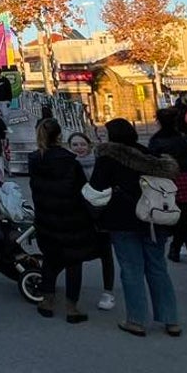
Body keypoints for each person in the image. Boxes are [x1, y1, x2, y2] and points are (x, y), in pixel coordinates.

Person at [89, 118, 182, 337]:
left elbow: (97, 186)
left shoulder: (108, 157)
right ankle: (171, 319)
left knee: (132, 270)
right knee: (158, 268)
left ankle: (137, 320)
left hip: (122, 220)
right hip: (155, 219)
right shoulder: (150, 156)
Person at [30, 119, 100, 323]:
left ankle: (47, 301)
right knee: (73, 262)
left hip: (45, 215)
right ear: (60, 136)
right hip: (71, 217)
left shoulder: (35, 159)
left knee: (50, 259)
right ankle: (71, 307)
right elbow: (82, 189)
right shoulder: (70, 160)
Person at [67, 132, 117, 309]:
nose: (79, 148)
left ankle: (108, 292)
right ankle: (73, 294)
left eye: (82, 144)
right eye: (75, 145)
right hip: (80, 215)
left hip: (101, 213)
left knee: (105, 253)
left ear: (89, 146)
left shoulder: (99, 163)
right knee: (77, 254)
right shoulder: (69, 165)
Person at [148, 107, 187, 266]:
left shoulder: (156, 140)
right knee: (182, 217)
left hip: (168, 180)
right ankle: (180, 250)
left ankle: (186, 251)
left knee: (180, 218)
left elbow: (153, 162)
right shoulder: (182, 139)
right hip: (186, 179)